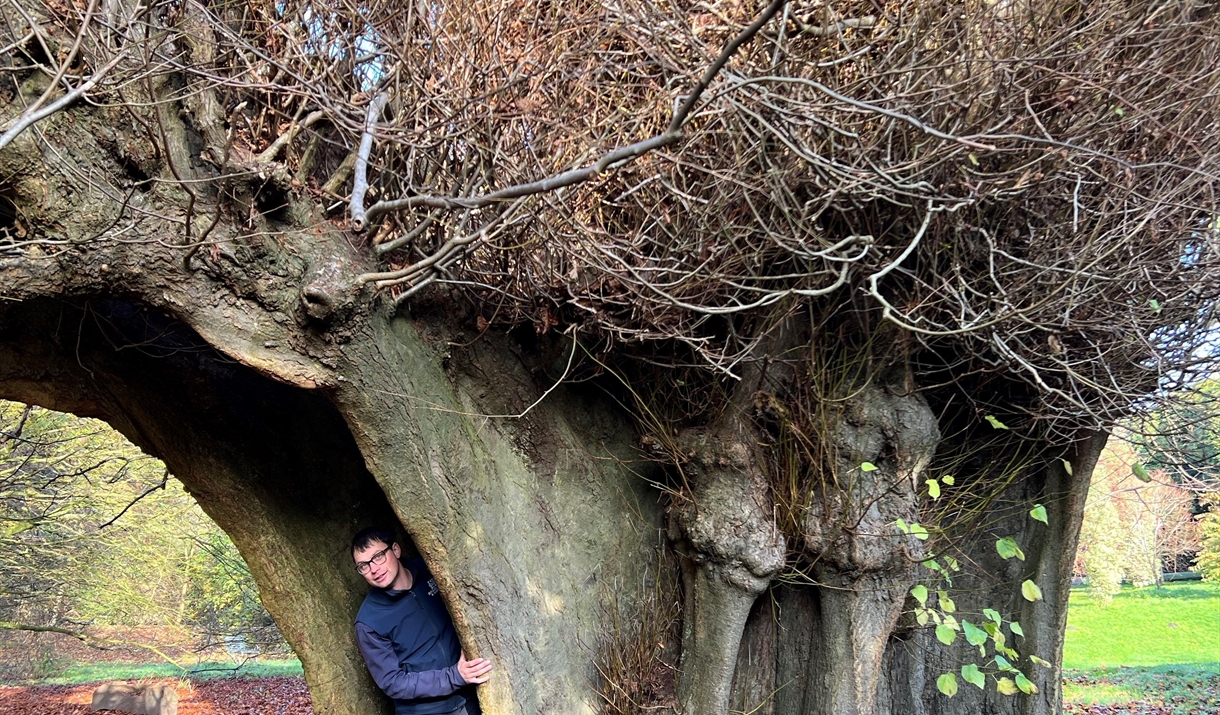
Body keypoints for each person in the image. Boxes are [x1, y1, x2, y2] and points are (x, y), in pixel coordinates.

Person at [351, 526, 492, 715]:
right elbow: (394, 683)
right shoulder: (369, 621)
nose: (374, 569)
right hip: (427, 711)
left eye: (378, 556)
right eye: (363, 566)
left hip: (473, 696)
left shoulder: (430, 571)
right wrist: (454, 677)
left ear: (395, 550)